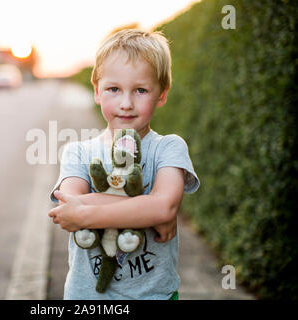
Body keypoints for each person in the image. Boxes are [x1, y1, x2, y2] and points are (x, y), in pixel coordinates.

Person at [48, 29, 200, 299]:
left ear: (161, 95)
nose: (126, 103)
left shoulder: (169, 148)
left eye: (140, 90)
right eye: (114, 89)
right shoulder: (79, 152)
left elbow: (164, 206)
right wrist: (149, 213)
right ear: (97, 92)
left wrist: (86, 213)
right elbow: (68, 208)